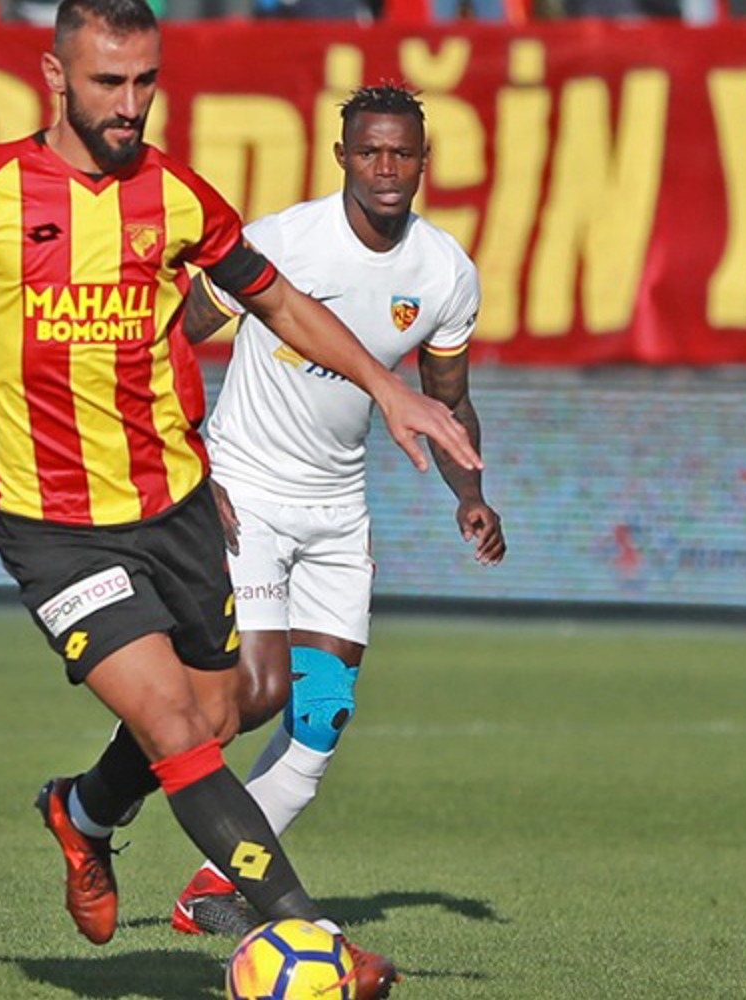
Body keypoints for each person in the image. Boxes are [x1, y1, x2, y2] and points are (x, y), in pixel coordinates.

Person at [0, 3, 480, 995]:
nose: (130, 105)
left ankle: (82, 813)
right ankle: (311, 939)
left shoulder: (177, 196)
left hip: (173, 505)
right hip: (54, 527)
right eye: (108, 83)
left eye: (145, 82)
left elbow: (275, 301)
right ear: (55, 76)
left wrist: (388, 389)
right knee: (175, 726)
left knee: (221, 711)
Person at [165, 83, 507, 936]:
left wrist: (470, 494)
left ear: (425, 163)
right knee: (254, 691)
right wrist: (188, 455)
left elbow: (446, 401)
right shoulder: (281, 243)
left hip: (337, 510)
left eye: (403, 153)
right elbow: (169, 336)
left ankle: (209, 889)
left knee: (319, 723)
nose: (387, 168)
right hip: (246, 490)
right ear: (342, 157)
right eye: (371, 152)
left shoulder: (444, 273)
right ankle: (122, 771)